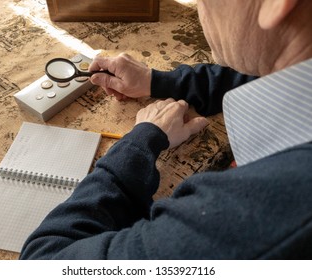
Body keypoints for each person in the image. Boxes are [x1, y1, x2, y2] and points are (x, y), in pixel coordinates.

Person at [20, 0, 312, 259]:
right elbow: (257, 72)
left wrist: (140, 141)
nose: (201, 9)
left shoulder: (252, 218)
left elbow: (45, 260)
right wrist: (154, 81)